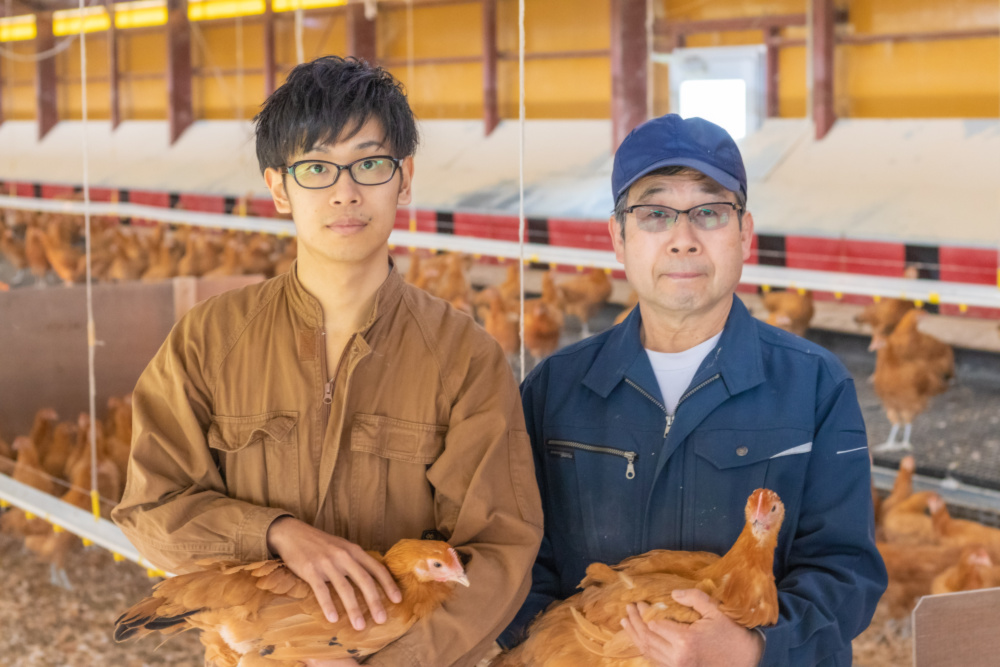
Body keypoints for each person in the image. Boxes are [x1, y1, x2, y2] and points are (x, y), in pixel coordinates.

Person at [112, 56, 542, 667]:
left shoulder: (463, 356)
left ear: (404, 179)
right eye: (316, 168)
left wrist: (391, 662)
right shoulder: (207, 340)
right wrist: (277, 532)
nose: (345, 191)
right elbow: (151, 510)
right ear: (278, 188)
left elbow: (498, 550)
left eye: (369, 163)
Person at [498, 114, 886, 666]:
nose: (683, 240)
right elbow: (514, 555)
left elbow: (847, 572)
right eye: (655, 214)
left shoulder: (816, 387)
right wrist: (564, 649)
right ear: (618, 237)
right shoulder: (553, 390)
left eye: (709, 212)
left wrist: (752, 649)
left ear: (744, 234)